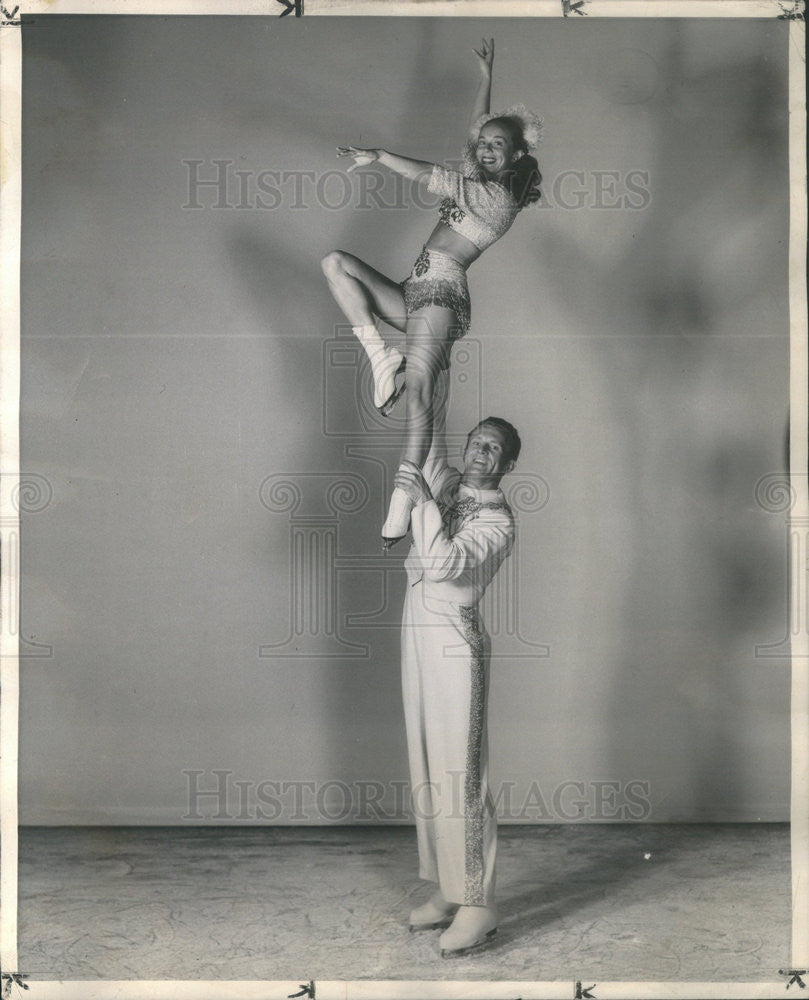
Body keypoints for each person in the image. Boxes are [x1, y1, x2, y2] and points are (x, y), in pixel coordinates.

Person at [321, 38, 541, 547]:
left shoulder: (497, 197)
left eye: (496, 146)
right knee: (337, 265)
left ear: (515, 156)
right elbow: (474, 132)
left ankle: (400, 502)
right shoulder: (481, 170)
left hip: (441, 297)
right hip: (415, 287)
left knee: (418, 394)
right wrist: (487, 74)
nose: (484, 149)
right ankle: (381, 359)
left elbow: (428, 174)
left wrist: (378, 155)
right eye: (483, 144)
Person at [393, 368, 520, 958]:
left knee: (461, 775)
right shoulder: (450, 483)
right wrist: (431, 370)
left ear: (506, 466)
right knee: (426, 764)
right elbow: (431, 435)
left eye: (492, 448)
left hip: (454, 645)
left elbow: (443, 565)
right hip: (418, 632)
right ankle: (449, 888)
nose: (479, 450)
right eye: (477, 440)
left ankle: (479, 904)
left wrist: (420, 504)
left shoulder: (497, 521)